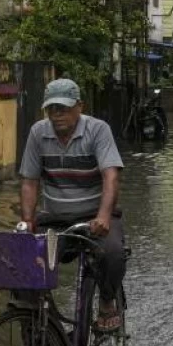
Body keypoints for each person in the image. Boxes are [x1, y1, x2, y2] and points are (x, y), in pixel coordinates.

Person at [19, 78, 126, 332]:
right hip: (55, 218)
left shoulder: (98, 130)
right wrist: (27, 222)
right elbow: (29, 182)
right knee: (23, 265)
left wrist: (103, 216)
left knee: (112, 254)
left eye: (63, 109)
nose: (57, 115)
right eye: (52, 109)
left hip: (94, 217)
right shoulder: (38, 133)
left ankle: (108, 300)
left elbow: (111, 176)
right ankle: (44, 341)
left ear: (80, 107)